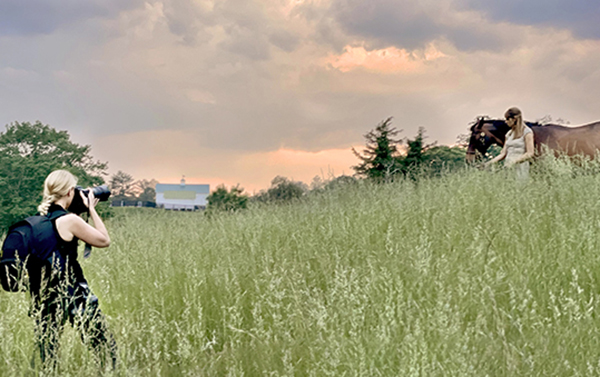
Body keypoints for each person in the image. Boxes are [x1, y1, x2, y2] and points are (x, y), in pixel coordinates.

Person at [28, 170, 117, 371]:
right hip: (73, 291)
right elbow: (104, 240)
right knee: (103, 347)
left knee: (47, 352)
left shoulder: (38, 221)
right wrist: (91, 209)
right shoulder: (69, 220)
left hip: (45, 294)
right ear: (70, 191)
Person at [486, 107, 535, 180]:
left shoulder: (527, 132)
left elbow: (530, 153)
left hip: (520, 166)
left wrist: (514, 162)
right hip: (508, 166)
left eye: (507, 119)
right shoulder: (509, 134)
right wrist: (489, 163)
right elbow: (503, 153)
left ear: (514, 119)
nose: (506, 121)